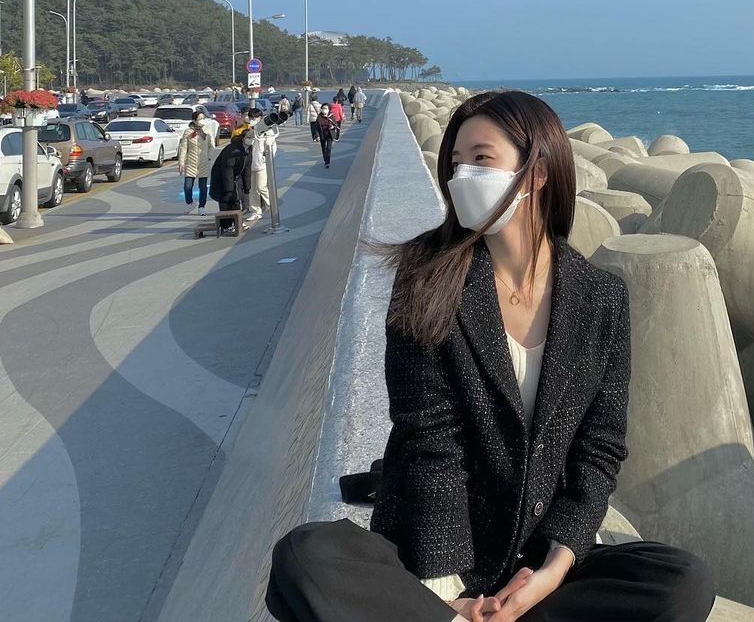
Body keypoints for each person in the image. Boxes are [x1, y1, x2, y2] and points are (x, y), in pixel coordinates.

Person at [266, 90, 715, 622]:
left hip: (533, 557)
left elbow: (600, 448)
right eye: (456, 162)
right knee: (305, 556)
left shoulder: (602, 298)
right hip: (433, 553)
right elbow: (428, 437)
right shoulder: (426, 277)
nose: (462, 177)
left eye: (482, 159)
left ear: (537, 172)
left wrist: (551, 571)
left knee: (682, 580)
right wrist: (445, 592)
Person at [209, 126, 253, 232]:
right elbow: (227, 169)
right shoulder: (233, 149)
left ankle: (238, 222)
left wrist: (247, 187)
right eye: (249, 137)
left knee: (236, 199)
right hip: (221, 176)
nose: (251, 140)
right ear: (243, 138)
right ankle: (226, 225)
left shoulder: (248, 149)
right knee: (226, 199)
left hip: (233, 176)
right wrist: (229, 188)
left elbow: (247, 168)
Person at [178, 109, 215, 215]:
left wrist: (209, 156)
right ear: (194, 120)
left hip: (203, 162)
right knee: (187, 186)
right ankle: (189, 202)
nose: (202, 121)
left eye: (203, 118)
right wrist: (181, 162)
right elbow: (183, 148)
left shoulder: (207, 131)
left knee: (203, 186)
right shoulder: (188, 132)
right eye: (200, 119)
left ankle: (202, 206)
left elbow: (212, 146)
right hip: (191, 162)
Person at [245, 108, 278, 224]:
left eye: (256, 117)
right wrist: (250, 134)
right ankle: (256, 212)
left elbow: (272, 145)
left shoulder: (267, 130)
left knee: (261, 187)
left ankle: (272, 205)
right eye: (252, 118)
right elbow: (247, 142)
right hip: (252, 163)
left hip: (262, 164)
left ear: (260, 118)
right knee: (253, 190)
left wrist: (267, 158)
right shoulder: (252, 130)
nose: (253, 119)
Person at [314, 102, 340, 168]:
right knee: (323, 148)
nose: (324, 110)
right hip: (322, 134)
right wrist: (317, 135)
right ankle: (325, 158)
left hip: (329, 134)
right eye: (323, 108)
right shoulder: (319, 117)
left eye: (326, 108)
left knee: (328, 148)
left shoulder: (331, 116)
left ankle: (327, 162)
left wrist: (332, 127)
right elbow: (316, 127)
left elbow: (335, 124)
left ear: (329, 109)